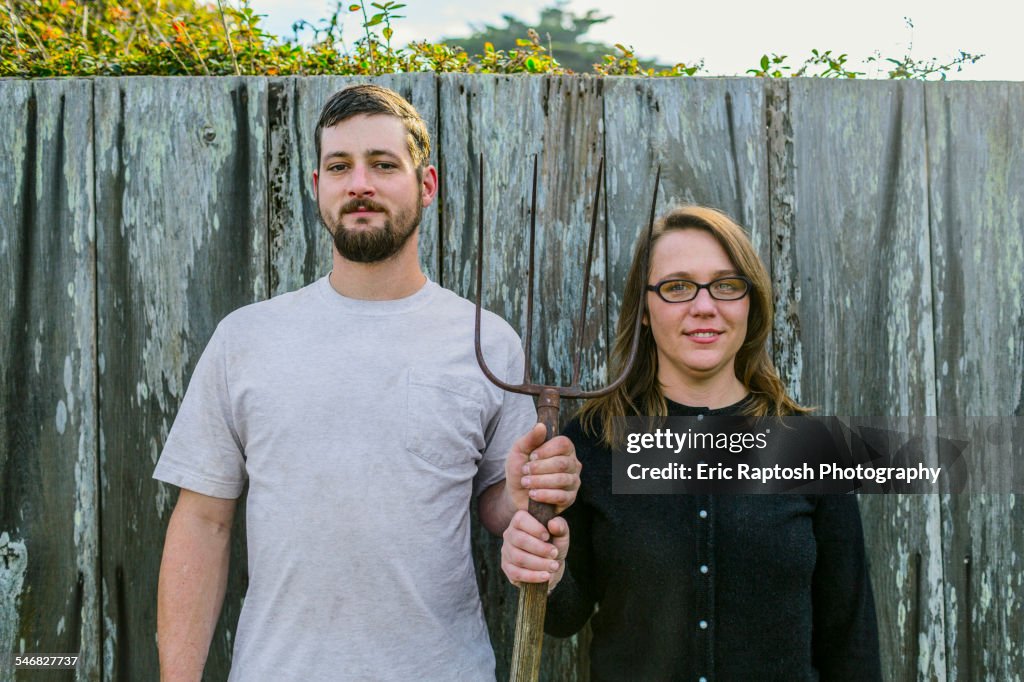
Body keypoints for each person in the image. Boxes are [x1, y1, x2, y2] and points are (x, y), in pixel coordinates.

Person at [154, 84, 580, 681]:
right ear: (316, 187)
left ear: (426, 185)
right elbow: (203, 520)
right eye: (339, 166)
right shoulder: (246, 339)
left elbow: (497, 507)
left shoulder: (486, 341)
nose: (360, 183)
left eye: (383, 165)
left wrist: (524, 493)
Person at [501, 205, 882, 680]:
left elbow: (850, 640)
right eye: (677, 286)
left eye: (726, 285)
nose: (705, 306)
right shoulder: (594, 444)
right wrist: (544, 569)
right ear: (643, 310)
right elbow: (563, 618)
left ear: (750, 302)